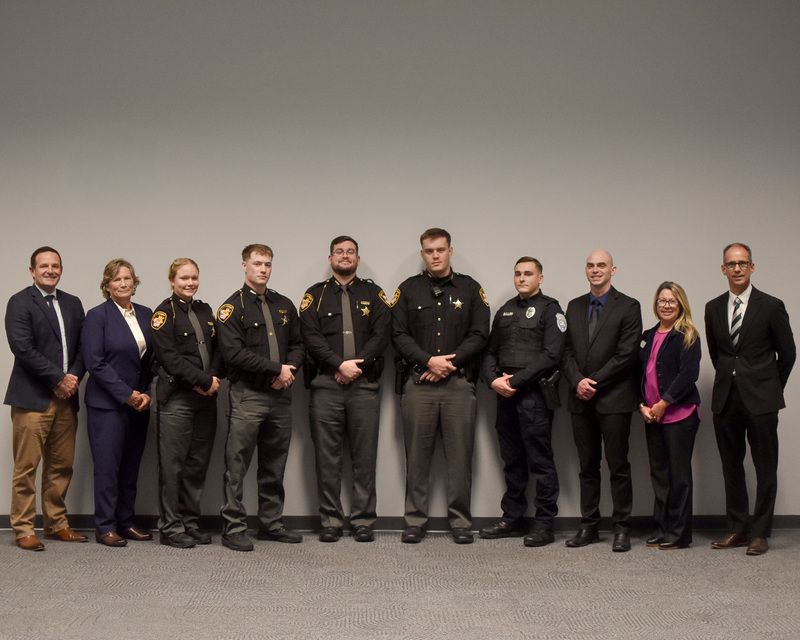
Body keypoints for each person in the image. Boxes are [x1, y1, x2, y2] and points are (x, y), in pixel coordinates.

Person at [392, 228, 490, 544]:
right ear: (423, 254)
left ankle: (460, 522)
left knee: (460, 457)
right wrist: (427, 361)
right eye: (429, 250)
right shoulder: (408, 290)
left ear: (450, 251)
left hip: (459, 385)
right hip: (418, 383)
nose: (435, 255)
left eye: (440, 249)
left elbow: (479, 333)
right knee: (416, 457)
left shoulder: (471, 289)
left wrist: (449, 363)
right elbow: (398, 334)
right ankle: (415, 521)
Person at [705, 242, 795, 556]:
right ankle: (738, 529)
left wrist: (770, 386)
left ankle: (760, 533)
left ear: (752, 267)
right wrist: (733, 380)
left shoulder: (771, 305)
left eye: (743, 263)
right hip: (726, 400)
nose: (738, 269)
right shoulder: (713, 307)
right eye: (731, 264)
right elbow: (718, 355)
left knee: (765, 468)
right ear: (723, 269)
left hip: (762, 400)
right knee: (732, 467)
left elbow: (788, 354)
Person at [300, 236, 391, 543]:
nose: (345, 256)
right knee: (327, 458)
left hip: (364, 385)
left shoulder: (373, 293)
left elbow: (382, 333)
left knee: (364, 457)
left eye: (350, 252)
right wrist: (339, 364)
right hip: (326, 385)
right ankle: (330, 520)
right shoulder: (315, 295)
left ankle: (363, 520)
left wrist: (357, 366)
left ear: (358, 258)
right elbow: (310, 336)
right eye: (339, 252)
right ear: (330, 259)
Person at [216, 244, 305, 552]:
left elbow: (298, 343)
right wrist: (276, 370)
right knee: (236, 464)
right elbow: (234, 354)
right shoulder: (231, 308)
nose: (263, 269)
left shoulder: (284, 304)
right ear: (244, 266)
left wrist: (288, 370)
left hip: (280, 396)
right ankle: (234, 527)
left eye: (267, 264)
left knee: (274, 462)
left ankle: (271, 522)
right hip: (248, 395)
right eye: (257, 264)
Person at [5, 247, 87, 551]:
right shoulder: (20, 302)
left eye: (55, 266)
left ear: (61, 269)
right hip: (32, 399)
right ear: (32, 271)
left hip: (67, 399)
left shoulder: (72, 303)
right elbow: (22, 348)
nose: (50, 270)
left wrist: (73, 378)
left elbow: (83, 349)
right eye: (43, 266)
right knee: (26, 468)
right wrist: (58, 379)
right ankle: (24, 528)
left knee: (61, 466)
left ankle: (56, 524)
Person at [480, 257, 566, 547]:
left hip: (534, 397)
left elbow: (551, 357)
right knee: (512, 460)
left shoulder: (551, 310)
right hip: (504, 397)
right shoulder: (504, 310)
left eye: (528, 273)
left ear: (540, 278)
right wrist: (493, 380)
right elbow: (490, 351)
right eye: (517, 273)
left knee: (540, 462)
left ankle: (544, 524)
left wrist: (513, 383)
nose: (522, 278)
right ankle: (513, 519)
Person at [562, 250, 642, 552]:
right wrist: (576, 381)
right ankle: (589, 526)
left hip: (615, 399)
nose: (596, 270)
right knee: (587, 466)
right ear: (586, 270)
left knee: (618, 465)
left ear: (613, 270)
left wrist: (592, 382)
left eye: (602, 266)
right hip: (580, 399)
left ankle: (622, 528)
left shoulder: (629, 306)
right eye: (591, 266)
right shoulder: (574, 306)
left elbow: (627, 354)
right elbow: (565, 351)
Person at [151, 258, 223, 548]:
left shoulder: (205, 310)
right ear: (172, 281)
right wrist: (204, 381)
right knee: (173, 466)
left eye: (193, 278)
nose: (189, 283)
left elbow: (219, 349)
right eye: (183, 278)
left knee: (196, 464)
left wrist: (214, 378)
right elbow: (169, 358)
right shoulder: (163, 314)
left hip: (206, 399)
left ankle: (190, 522)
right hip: (177, 399)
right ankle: (170, 527)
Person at [82, 259, 154, 547]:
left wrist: (146, 392)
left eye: (127, 278)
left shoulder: (147, 314)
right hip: (108, 405)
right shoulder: (97, 316)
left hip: (139, 404)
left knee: (130, 466)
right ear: (107, 285)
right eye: (116, 280)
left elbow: (151, 362)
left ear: (135, 282)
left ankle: (125, 522)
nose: (123, 283)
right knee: (108, 467)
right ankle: (105, 526)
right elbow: (94, 363)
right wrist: (127, 394)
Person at [638, 282, 701, 550]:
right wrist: (642, 404)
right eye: (662, 301)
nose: (666, 305)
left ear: (681, 305)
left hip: (679, 414)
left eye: (672, 301)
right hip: (651, 414)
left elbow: (688, 375)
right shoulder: (648, 334)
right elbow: (639, 374)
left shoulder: (688, 335)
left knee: (679, 476)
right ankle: (662, 528)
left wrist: (664, 403)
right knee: (660, 475)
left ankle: (679, 534)